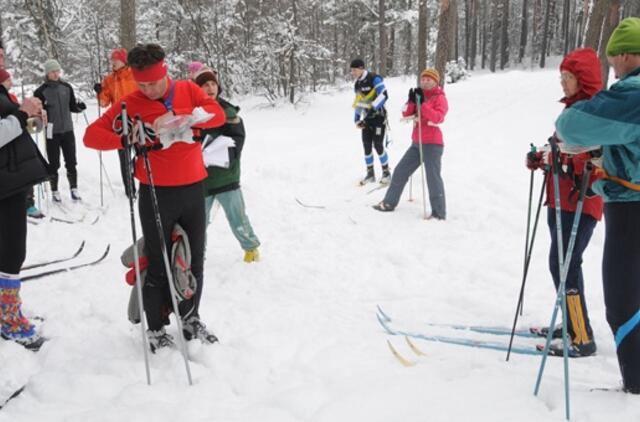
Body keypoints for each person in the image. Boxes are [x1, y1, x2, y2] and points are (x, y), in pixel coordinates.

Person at [84, 43, 225, 352]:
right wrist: (132, 135)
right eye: (142, 83)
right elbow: (91, 136)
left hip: (192, 187)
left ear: (165, 72)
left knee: (195, 258)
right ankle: (157, 327)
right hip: (155, 190)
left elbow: (217, 115)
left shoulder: (188, 89)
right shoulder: (130, 102)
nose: (148, 89)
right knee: (158, 262)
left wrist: (188, 118)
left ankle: (190, 317)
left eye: (153, 82)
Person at [555, 17, 640, 393]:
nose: (613, 68)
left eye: (613, 60)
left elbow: (570, 127)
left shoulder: (628, 94)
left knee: (621, 296)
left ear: (625, 55)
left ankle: (634, 381)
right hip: (612, 197)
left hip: (624, 205)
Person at [527, 48, 604, 358]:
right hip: (560, 200)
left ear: (582, 80)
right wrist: (540, 157)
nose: (562, 83)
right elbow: (557, 146)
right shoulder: (572, 110)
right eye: (561, 77)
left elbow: (595, 156)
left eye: (568, 77)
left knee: (566, 265)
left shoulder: (594, 113)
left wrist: (558, 159)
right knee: (560, 264)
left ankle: (582, 337)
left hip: (581, 203)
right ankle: (572, 324)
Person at [0, 41, 49, 350]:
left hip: (10, 179)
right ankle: (9, 318)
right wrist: (20, 114)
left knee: (9, 249)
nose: (1, 55)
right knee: (11, 251)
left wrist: (32, 119)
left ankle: (8, 311)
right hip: (4, 185)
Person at [194, 67, 261, 263]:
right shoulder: (193, 112)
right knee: (198, 223)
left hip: (226, 176)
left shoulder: (227, 110)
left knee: (238, 218)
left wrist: (224, 154)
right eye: (205, 84)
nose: (210, 87)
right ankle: (197, 254)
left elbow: (238, 138)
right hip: (201, 178)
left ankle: (251, 249)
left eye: (213, 83)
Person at [373, 68, 448, 219]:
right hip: (417, 143)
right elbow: (406, 113)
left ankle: (439, 212)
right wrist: (412, 101)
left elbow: (439, 117)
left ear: (436, 81)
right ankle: (389, 202)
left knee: (433, 178)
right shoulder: (418, 94)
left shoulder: (439, 97)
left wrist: (423, 105)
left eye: (429, 79)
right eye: (423, 79)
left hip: (432, 144)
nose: (425, 82)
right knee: (400, 171)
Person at [34, 59, 86, 202]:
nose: (56, 74)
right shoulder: (40, 91)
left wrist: (79, 107)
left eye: (57, 71)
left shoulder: (66, 87)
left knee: (71, 161)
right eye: (52, 71)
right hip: (52, 132)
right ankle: (55, 191)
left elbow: (72, 107)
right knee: (54, 163)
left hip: (68, 130)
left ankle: (74, 189)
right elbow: (36, 112)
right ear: (47, 73)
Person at [0, 68, 45, 219]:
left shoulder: (10, 98)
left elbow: (19, 124)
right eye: (7, 79)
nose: (10, 82)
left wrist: (34, 120)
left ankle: (29, 204)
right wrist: (23, 114)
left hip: (18, 158)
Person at [94, 48, 139, 198]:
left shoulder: (135, 74)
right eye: (112, 60)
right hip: (119, 124)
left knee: (143, 155)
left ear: (124, 61)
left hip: (138, 121)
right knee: (124, 157)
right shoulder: (109, 79)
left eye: (116, 60)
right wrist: (99, 92)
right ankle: (130, 190)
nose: (113, 63)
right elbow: (103, 103)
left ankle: (145, 182)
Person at [350, 58, 391, 185]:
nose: (352, 72)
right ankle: (370, 174)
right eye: (351, 70)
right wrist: (357, 119)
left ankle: (386, 173)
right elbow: (359, 102)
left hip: (379, 118)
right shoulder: (357, 84)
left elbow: (384, 95)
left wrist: (374, 107)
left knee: (378, 145)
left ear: (362, 68)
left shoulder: (374, 78)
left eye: (354, 70)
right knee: (366, 146)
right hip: (367, 119)